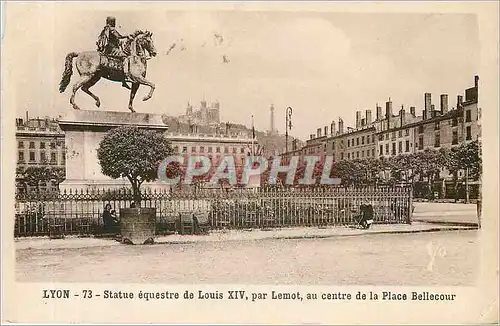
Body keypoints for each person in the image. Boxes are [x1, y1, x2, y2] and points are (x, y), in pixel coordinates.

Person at [96, 16, 131, 89]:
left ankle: (123, 80)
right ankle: (126, 76)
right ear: (112, 22)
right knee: (125, 57)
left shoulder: (106, 29)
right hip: (111, 48)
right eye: (114, 21)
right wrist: (127, 36)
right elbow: (118, 36)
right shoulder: (111, 29)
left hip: (109, 47)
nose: (114, 23)